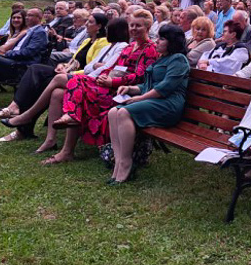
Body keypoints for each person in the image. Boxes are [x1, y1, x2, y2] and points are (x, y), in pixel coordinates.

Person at [33, 9, 158, 165]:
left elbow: (140, 76)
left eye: (138, 26)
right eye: (131, 25)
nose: (133, 29)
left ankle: (66, 144)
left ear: (147, 28)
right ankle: (66, 141)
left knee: (76, 86)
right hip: (109, 85)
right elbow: (114, 68)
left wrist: (111, 82)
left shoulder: (150, 49)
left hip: (125, 92)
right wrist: (104, 76)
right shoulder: (129, 47)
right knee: (69, 85)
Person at [0, 13, 110, 144]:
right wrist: (62, 65)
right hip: (68, 73)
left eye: (90, 22)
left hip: (78, 78)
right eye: (87, 21)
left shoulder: (102, 43)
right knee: (35, 72)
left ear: (99, 26)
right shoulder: (87, 41)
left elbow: (91, 68)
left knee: (40, 81)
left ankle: (22, 120)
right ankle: (20, 116)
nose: (86, 24)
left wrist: (68, 72)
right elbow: (73, 60)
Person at [107, 25, 190, 184]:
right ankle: (117, 160)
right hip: (154, 100)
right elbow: (148, 85)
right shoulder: (162, 58)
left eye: (162, 38)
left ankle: (126, 162)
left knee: (124, 112)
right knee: (112, 112)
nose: (157, 41)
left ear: (172, 42)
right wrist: (130, 89)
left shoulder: (178, 59)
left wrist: (140, 98)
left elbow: (165, 87)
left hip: (168, 104)